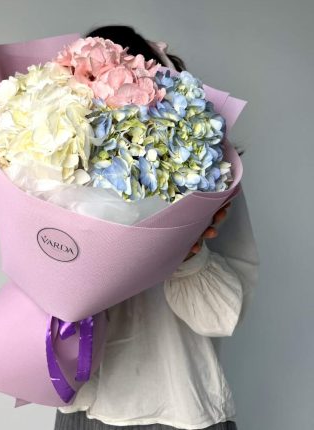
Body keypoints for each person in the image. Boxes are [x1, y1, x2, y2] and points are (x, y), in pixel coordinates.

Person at [54, 25, 259, 430]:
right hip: (84, 408)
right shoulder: (55, 171)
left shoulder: (211, 176)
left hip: (178, 406)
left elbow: (221, 317)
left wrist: (186, 251)